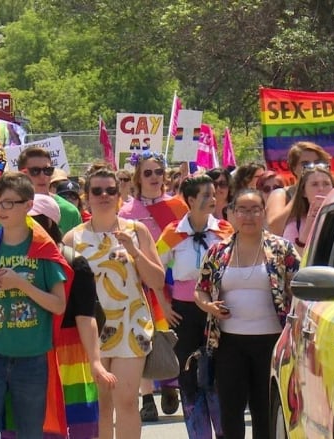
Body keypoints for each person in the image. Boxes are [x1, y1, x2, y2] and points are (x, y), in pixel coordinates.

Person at [64, 167, 166, 439]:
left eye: (111, 190)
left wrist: (134, 252)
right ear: (86, 197)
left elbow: (157, 280)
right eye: (97, 190)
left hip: (130, 324)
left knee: (127, 402)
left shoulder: (137, 230)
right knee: (100, 405)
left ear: (120, 194)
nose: (105, 195)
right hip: (89, 330)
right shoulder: (73, 238)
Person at [0, 172, 68, 439]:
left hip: (32, 356)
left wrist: (21, 284)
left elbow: (58, 305)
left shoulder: (43, 250)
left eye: (10, 202)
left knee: (30, 432)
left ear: (28, 205)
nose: (2, 209)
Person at [195, 188, 301, 439]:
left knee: (264, 410)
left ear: (264, 213)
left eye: (255, 209)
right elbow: (200, 290)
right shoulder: (218, 251)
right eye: (242, 210)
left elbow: (301, 285)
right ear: (231, 213)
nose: (249, 216)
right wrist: (209, 306)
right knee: (230, 412)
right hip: (229, 343)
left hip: (272, 341)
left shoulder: (281, 248)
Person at [28, 193, 117, 438]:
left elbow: (85, 316)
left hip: (71, 355)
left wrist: (95, 361)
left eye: (30, 218)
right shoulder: (12, 261)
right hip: (28, 352)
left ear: (47, 223)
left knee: (78, 425)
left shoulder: (74, 262)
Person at [156, 175, 234, 439]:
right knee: (189, 378)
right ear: (190, 200)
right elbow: (154, 271)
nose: (213, 199)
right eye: (206, 194)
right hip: (184, 313)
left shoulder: (225, 230)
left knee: (219, 377)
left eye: (214, 193)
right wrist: (164, 305)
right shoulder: (172, 233)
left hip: (218, 312)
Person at [118, 151, 185, 422]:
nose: (154, 177)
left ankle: (170, 384)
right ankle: (147, 398)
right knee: (143, 337)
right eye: (148, 173)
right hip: (139, 284)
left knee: (168, 334)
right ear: (138, 177)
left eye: (158, 171)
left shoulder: (179, 207)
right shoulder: (127, 211)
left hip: (172, 281)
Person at [265, 141, 331, 236]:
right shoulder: (282, 194)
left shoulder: (331, 189)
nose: (312, 167)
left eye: (317, 163)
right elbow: (274, 228)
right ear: (294, 168)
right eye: (305, 164)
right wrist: (300, 192)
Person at [17, 147, 82, 235]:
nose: (43, 176)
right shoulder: (10, 208)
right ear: (22, 174)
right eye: (35, 171)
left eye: (47, 170)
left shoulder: (69, 211)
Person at [283, 164, 334, 254]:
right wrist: (308, 226)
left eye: (326, 184)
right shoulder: (294, 226)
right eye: (314, 184)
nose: (321, 189)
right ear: (304, 192)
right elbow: (292, 263)